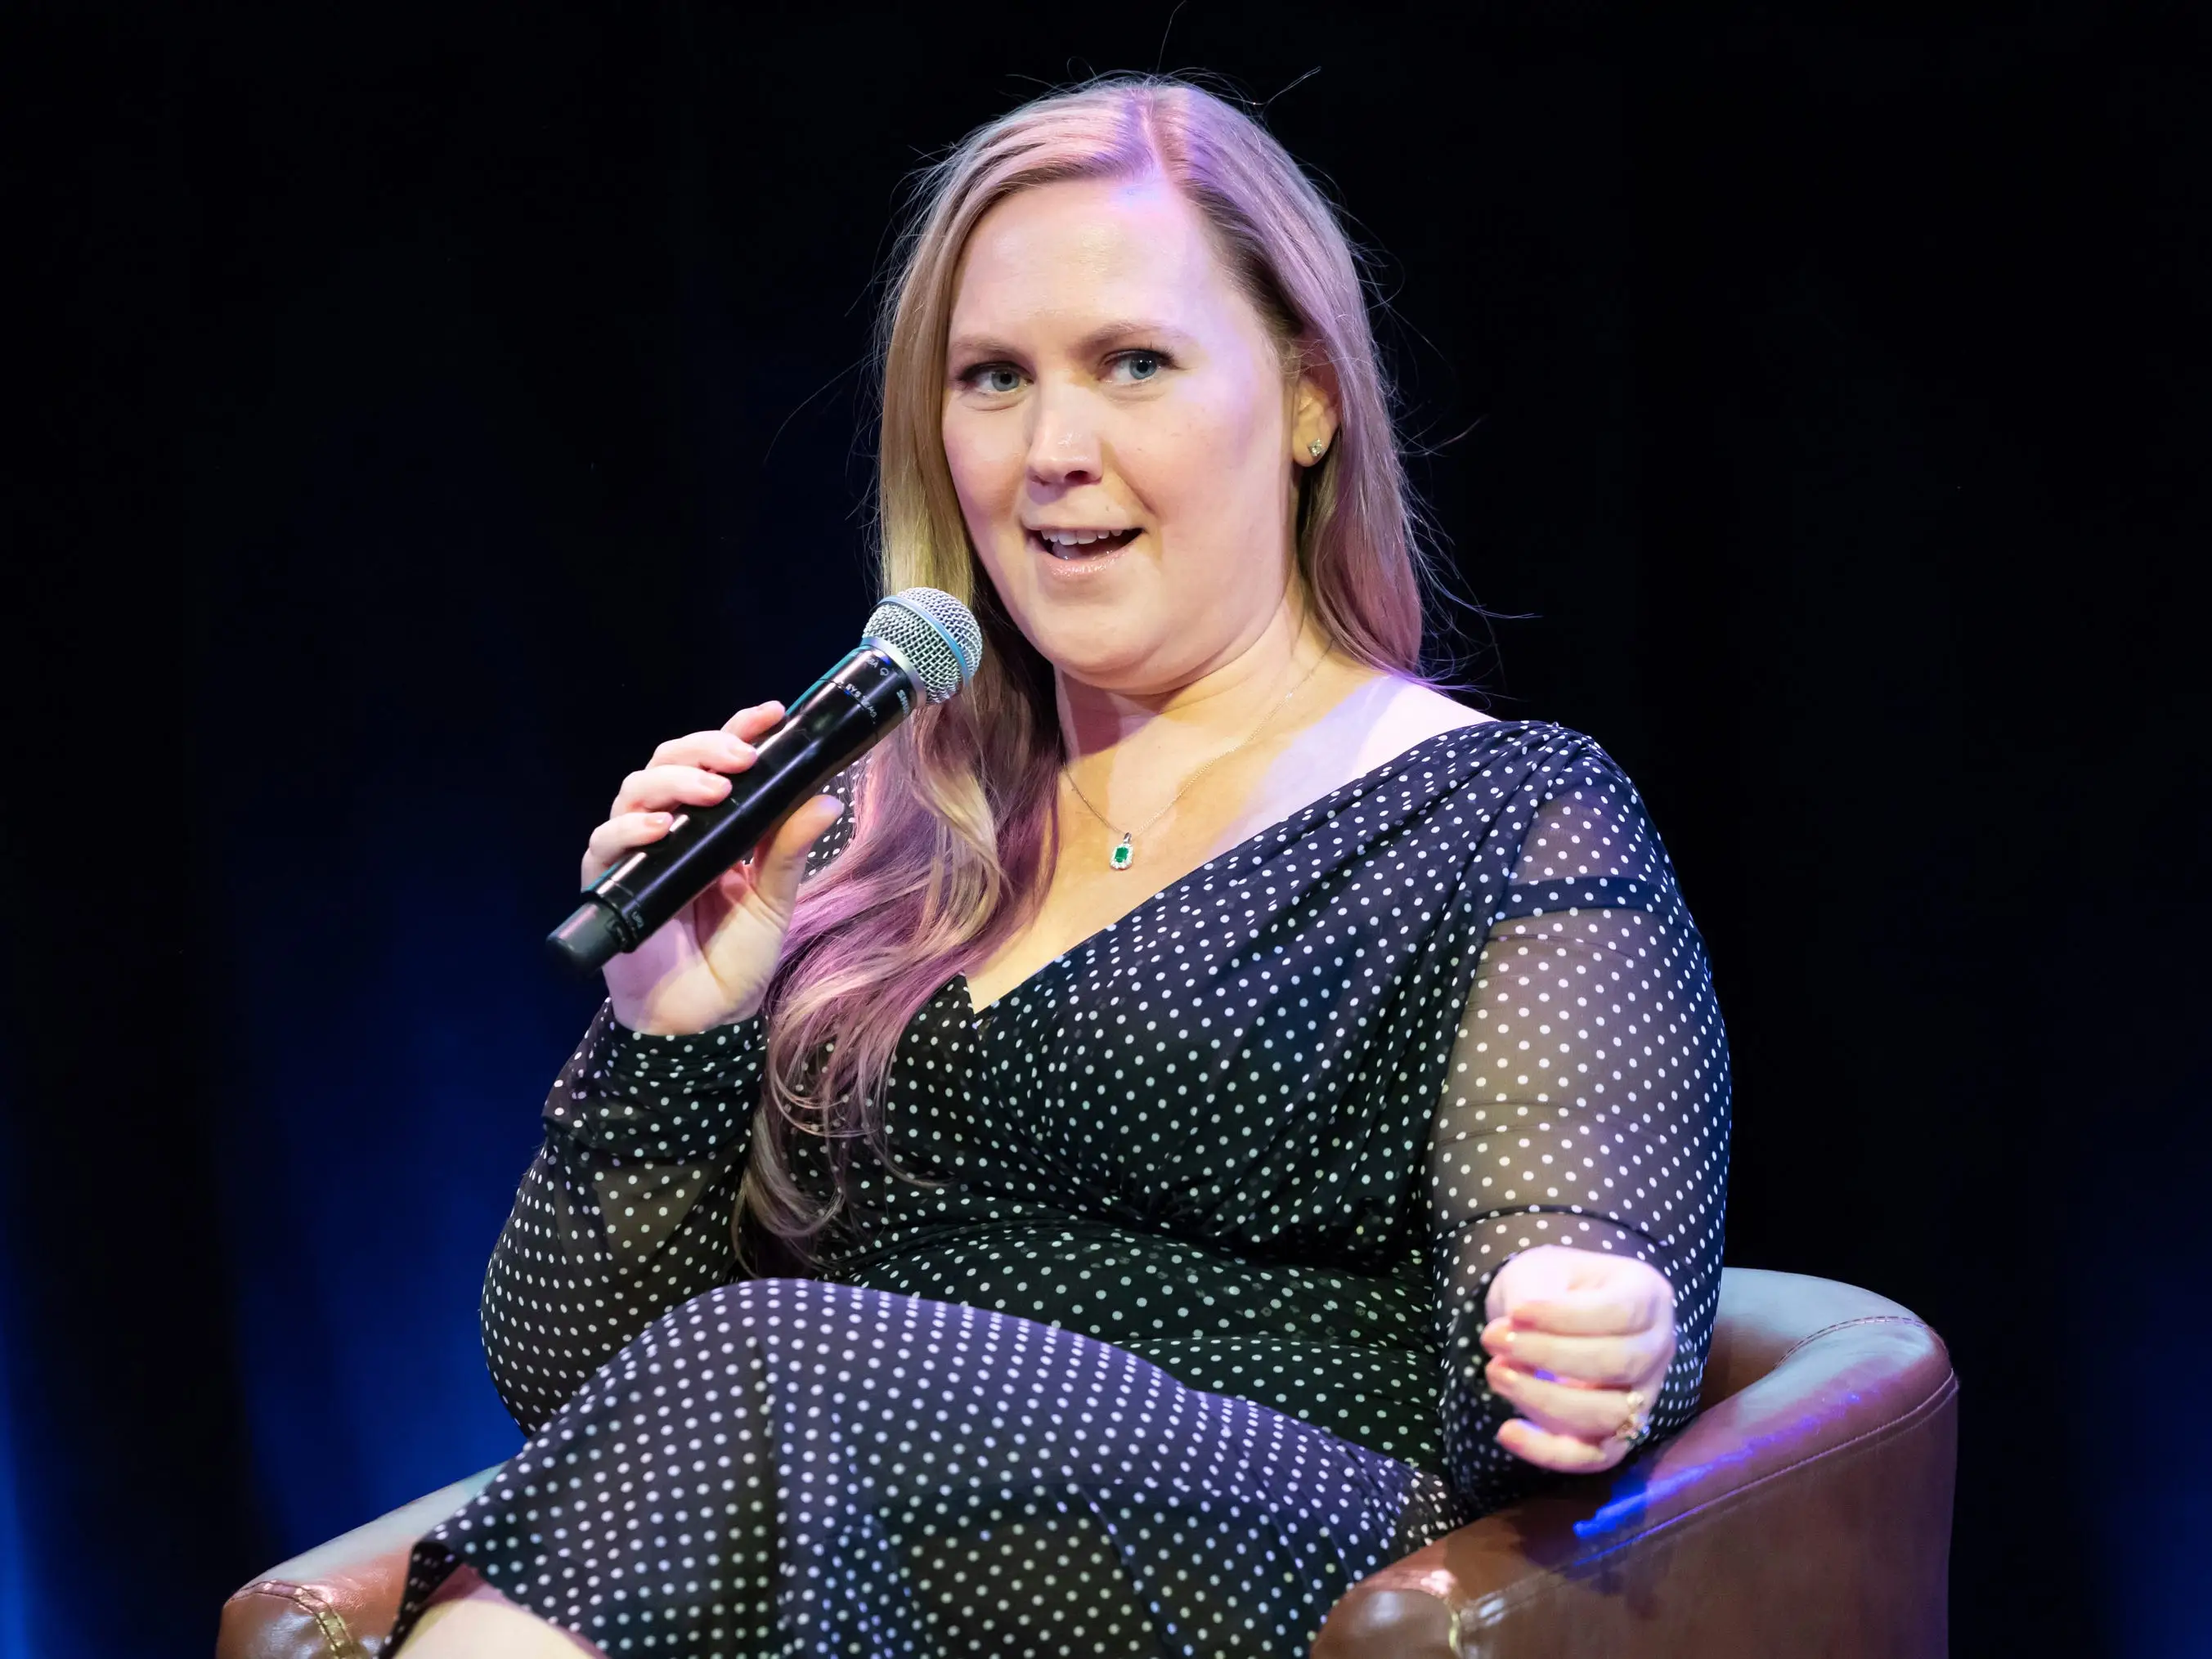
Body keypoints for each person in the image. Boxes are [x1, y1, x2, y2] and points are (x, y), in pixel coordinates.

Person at [393, 74, 1730, 1659]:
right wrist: (674, 1022)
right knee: (755, 1384)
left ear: (1306, 399)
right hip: (868, 1562)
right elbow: (566, 1377)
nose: (1050, 452)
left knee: (773, 1368)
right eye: (992, 379)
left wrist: (1591, 1337)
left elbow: (1560, 1276)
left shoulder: (1500, 816)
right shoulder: (887, 827)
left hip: (1285, 1569)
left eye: (1133, 366)